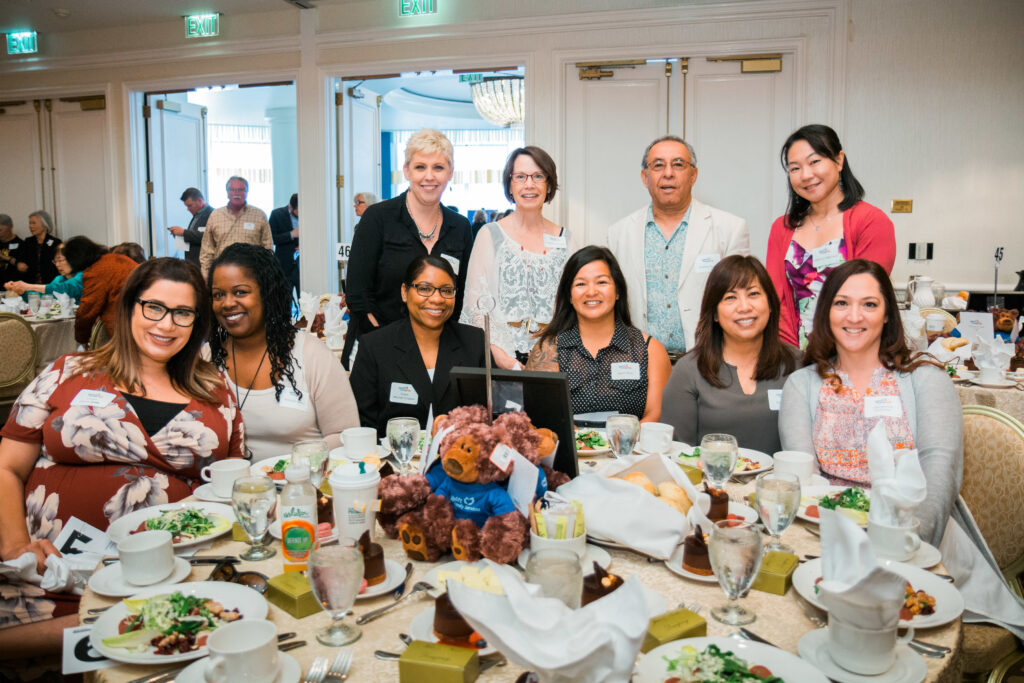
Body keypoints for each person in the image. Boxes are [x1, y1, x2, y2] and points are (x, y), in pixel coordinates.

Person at [0, 257, 244, 655]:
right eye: (154, 307)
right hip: (46, 568)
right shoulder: (68, 371)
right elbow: (6, 467)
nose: (166, 325)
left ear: (197, 322)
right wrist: (14, 547)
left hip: (168, 571)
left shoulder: (216, 391)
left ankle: (104, 631)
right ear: (130, 306)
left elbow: (232, 489)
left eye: (182, 313)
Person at [778, 259, 960, 545]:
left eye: (869, 305)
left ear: (887, 314)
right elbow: (805, 481)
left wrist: (906, 542)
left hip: (913, 536)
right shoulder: (801, 386)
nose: (854, 316)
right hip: (825, 533)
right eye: (841, 303)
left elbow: (939, 475)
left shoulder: (927, 381)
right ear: (826, 312)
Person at [208, 244, 359, 460]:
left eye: (240, 292)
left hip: (301, 486)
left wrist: (291, 469)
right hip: (222, 489)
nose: (228, 303)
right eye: (218, 295)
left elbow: (344, 435)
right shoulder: (206, 358)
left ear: (267, 293)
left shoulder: (312, 355)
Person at [606, 136, 749, 358]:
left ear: (693, 175)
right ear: (645, 177)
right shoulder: (618, 233)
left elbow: (741, 301)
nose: (668, 173)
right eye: (658, 165)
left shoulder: (730, 228)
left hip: (707, 359)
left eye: (678, 164)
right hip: (638, 361)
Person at [344, 129, 473, 369]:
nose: (429, 177)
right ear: (406, 171)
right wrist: (387, 341)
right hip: (379, 348)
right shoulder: (378, 218)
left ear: (450, 173)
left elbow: (462, 294)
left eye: (438, 167)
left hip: (438, 352)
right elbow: (358, 293)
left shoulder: (460, 227)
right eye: (420, 167)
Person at [767, 124, 896, 348]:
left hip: (855, 351)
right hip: (794, 355)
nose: (806, 175)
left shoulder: (871, 222)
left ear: (838, 161)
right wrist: (790, 357)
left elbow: (867, 300)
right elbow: (777, 300)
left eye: (815, 162)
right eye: (795, 168)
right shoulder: (782, 228)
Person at [661, 255, 798, 454]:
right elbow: (678, 454)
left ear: (770, 303)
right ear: (714, 313)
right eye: (730, 297)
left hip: (781, 484)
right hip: (710, 483)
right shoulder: (689, 371)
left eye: (753, 294)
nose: (744, 307)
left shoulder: (797, 364)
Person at [461, 146, 580, 369]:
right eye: (520, 177)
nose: (529, 184)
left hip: (555, 361)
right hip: (499, 358)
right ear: (510, 183)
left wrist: (551, 358)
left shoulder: (566, 240)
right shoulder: (490, 235)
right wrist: (503, 358)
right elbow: (476, 306)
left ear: (549, 183)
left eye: (538, 176)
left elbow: (574, 307)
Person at [526, 246, 671, 421]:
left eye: (601, 282)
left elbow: (656, 415)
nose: (591, 292)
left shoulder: (650, 349)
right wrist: (584, 442)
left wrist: (619, 440)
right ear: (570, 296)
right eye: (580, 284)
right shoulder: (548, 348)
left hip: (630, 447)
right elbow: (541, 416)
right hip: (570, 447)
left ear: (618, 291)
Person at [349, 255, 486, 437]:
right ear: (404, 292)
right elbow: (362, 424)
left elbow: (487, 415)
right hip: (393, 461)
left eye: (446, 290)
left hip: (457, 459)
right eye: (425, 289)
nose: (437, 299)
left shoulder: (474, 341)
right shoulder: (374, 346)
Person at [66, 236, 138, 345]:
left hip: (124, 327)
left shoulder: (96, 272)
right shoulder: (117, 258)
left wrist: (81, 339)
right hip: (140, 318)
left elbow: (87, 311)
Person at [199, 176, 273, 277]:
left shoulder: (259, 215)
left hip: (252, 274)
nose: (236, 193)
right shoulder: (215, 215)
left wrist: (266, 276)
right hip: (221, 274)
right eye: (232, 189)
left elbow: (268, 249)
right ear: (227, 192)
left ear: (247, 192)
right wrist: (206, 276)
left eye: (241, 190)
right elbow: (206, 251)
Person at [4, 243, 84, 300]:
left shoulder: (82, 277)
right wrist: (23, 292)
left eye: (60, 260)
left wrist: (28, 286)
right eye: (55, 261)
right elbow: (45, 297)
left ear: (73, 259)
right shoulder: (59, 279)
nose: (57, 265)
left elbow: (63, 289)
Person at [168, 187, 213, 265]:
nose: (188, 209)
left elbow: (207, 236)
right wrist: (179, 236)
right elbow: (194, 237)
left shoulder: (212, 214)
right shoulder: (196, 215)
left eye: (190, 205)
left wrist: (184, 232)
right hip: (193, 262)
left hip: (204, 263)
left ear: (199, 201)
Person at [269, 193, 300, 298]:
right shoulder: (276, 214)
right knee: (284, 300)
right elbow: (272, 238)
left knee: (306, 302)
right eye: (298, 211)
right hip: (284, 265)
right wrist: (291, 234)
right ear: (291, 207)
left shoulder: (309, 215)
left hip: (302, 266)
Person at [20, 211, 62, 287]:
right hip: (30, 285)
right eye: (30, 223)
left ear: (44, 225)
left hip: (50, 284)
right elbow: (22, 261)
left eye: (34, 223)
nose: (31, 226)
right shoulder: (28, 242)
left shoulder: (56, 243)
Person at [0, 214, 29, 290]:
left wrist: (4, 257)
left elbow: (23, 268)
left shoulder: (21, 244)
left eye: (0, 230)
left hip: (13, 288)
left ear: (10, 227)